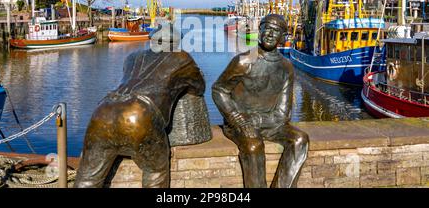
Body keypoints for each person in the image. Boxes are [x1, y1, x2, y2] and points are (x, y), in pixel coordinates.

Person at [74, 24, 207, 188]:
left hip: (103, 110)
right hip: (139, 114)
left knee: (87, 179)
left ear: (152, 41)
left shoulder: (132, 56)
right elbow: (199, 87)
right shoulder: (181, 58)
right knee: (156, 172)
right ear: (175, 43)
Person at [212, 14, 309, 188]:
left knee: (300, 139)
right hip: (240, 123)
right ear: (260, 31)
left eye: (276, 31)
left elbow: (283, 111)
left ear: (282, 36)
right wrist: (237, 119)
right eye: (267, 29)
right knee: (254, 146)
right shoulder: (243, 61)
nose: (270, 34)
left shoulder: (286, 67)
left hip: (271, 123)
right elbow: (219, 90)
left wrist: (264, 120)